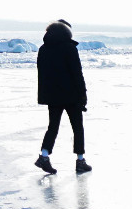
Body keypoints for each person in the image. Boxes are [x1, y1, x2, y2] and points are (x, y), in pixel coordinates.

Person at [34, 19, 90, 174]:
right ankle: (80, 161)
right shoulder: (69, 48)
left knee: (52, 127)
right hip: (71, 95)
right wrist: (83, 95)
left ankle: (44, 156)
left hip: (53, 96)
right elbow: (77, 74)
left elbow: (42, 74)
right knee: (78, 128)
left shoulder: (43, 49)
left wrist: (45, 94)